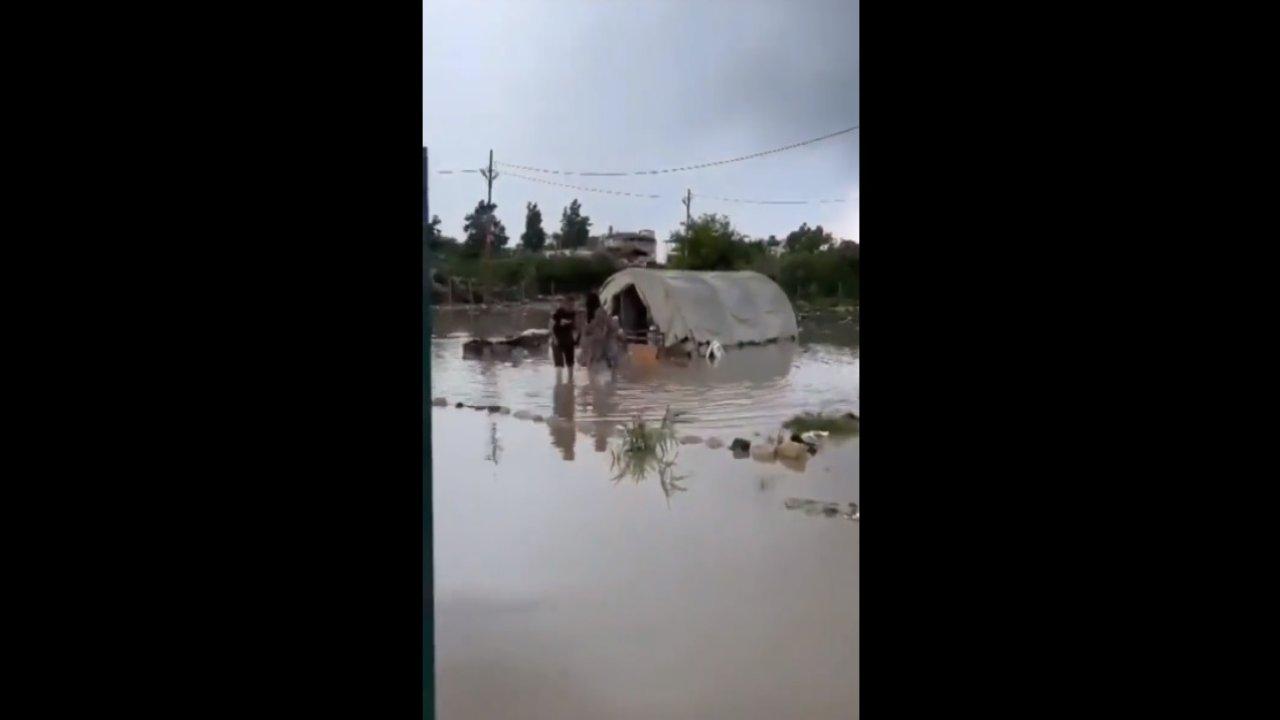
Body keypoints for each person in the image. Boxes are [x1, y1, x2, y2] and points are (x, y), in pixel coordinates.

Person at [548, 295, 580, 376]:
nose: (571, 307)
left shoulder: (574, 314)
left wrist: (577, 341)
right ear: (565, 304)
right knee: (559, 365)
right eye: (570, 305)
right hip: (557, 340)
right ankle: (558, 383)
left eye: (573, 305)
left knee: (570, 363)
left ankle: (571, 382)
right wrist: (554, 339)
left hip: (569, 340)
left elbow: (578, 328)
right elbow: (550, 326)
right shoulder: (558, 312)